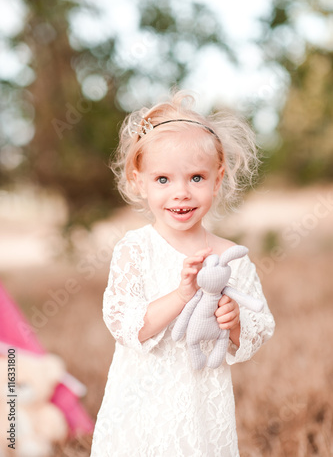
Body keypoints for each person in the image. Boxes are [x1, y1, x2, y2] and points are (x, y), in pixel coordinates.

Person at [90, 90, 275, 457]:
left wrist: (235, 322)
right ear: (138, 180)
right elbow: (128, 326)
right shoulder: (135, 249)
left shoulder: (231, 257)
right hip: (140, 407)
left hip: (201, 407)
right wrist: (181, 295)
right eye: (163, 180)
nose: (181, 193)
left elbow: (260, 329)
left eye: (195, 178)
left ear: (217, 179)